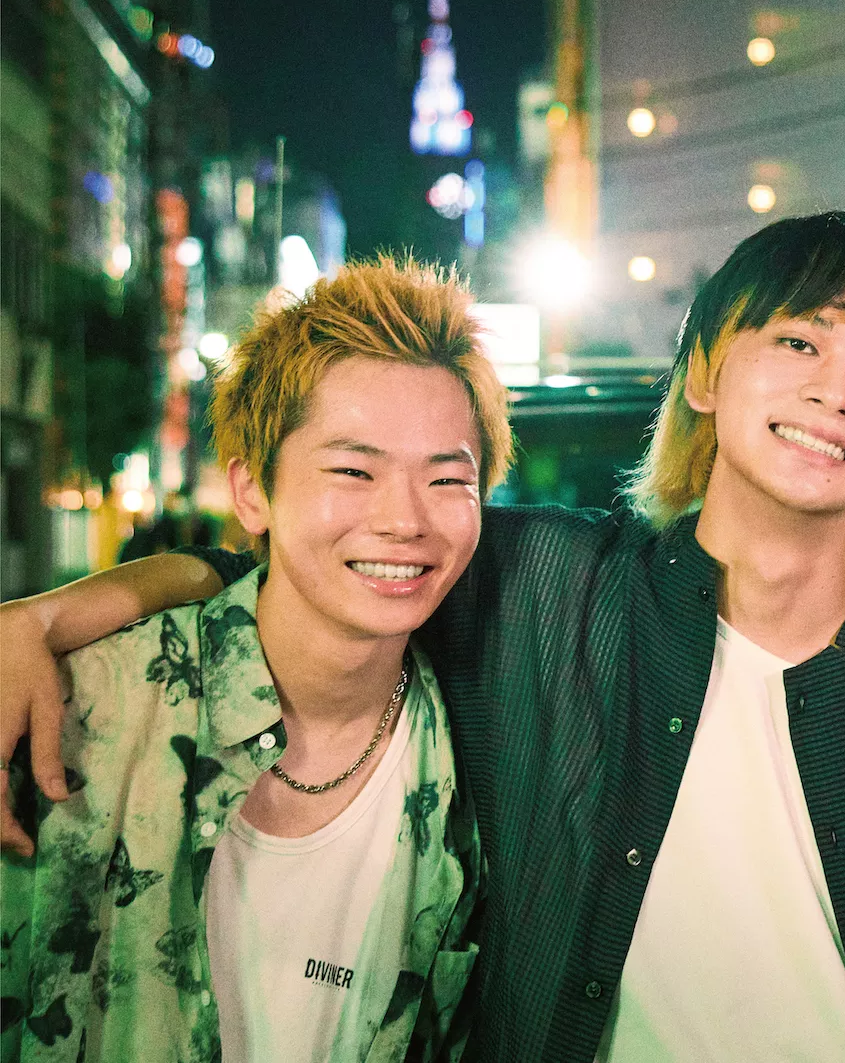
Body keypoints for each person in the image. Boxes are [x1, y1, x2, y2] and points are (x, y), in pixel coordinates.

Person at [4, 212, 845, 1062]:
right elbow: (327, 564)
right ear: (705, 372)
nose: (834, 393)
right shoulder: (548, 595)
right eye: (799, 344)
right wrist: (48, 617)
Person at [1, 258, 506, 1061]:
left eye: (447, 478)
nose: (405, 519)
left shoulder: (486, 747)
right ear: (251, 492)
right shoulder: (71, 710)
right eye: (354, 470)